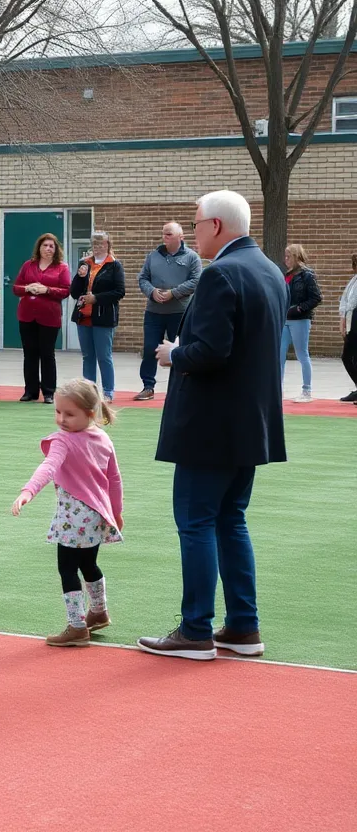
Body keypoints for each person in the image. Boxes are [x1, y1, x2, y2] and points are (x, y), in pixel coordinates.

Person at [141, 190, 287, 661]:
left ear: (216, 226)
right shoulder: (268, 270)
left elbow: (209, 352)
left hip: (211, 424)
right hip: (249, 423)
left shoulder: (221, 273)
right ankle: (244, 626)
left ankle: (196, 629)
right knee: (231, 520)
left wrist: (171, 354)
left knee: (197, 521)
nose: (195, 229)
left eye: (197, 222)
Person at [12, 379, 123, 647]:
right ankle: (98, 612)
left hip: (74, 517)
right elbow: (114, 479)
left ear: (90, 413)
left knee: (67, 568)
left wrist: (28, 491)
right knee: (88, 564)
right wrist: (116, 513)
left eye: (69, 414)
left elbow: (48, 467)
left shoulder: (64, 440)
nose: (61, 419)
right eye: (58, 412)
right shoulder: (102, 437)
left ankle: (76, 627)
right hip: (97, 516)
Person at [135, 222, 201, 400]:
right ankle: (148, 386)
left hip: (179, 313)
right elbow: (142, 278)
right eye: (164, 234)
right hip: (153, 312)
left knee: (179, 350)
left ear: (181, 237)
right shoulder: (153, 256)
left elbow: (196, 281)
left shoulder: (192, 257)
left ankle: (180, 386)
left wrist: (174, 293)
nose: (165, 237)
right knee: (150, 349)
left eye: (169, 234)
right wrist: (152, 291)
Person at [13, 233, 72, 403]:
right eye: (45, 245)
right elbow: (16, 287)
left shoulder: (62, 267)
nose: (48, 249)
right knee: (29, 353)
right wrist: (27, 288)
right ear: (39, 248)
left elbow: (66, 291)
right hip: (27, 315)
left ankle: (48, 392)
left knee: (47, 354)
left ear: (56, 249)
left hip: (49, 317)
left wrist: (46, 290)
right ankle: (30, 391)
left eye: (51, 246)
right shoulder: (28, 265)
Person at [70, 231, 126, 403]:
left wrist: (97, 298)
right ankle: (89, 391)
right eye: (95, 244)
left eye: (101, 244)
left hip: (104, 317)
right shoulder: (84, 264)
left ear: (108, 245)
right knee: (88, 356)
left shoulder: (115, 265)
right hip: (83, 316)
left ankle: (108, 391)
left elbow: (119, 292)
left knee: (104, 356)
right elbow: (74, 292)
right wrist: (79, 277)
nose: (98, 247)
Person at [280, 243, 322, 403]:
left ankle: (307, 390)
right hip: (285, 319)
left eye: (288, 256)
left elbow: (316, 297)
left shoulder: (307, 275)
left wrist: (299, 309)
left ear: (296, 257)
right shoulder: (287, 275)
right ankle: (278, 389)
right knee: (279, 354)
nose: (286, 260)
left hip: (300, 319)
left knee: (302, 354)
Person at [341, 255, 357, 403]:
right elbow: (346, 303)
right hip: (354, 320)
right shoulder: (353, 282)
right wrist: (343, 322)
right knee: (347, 357)